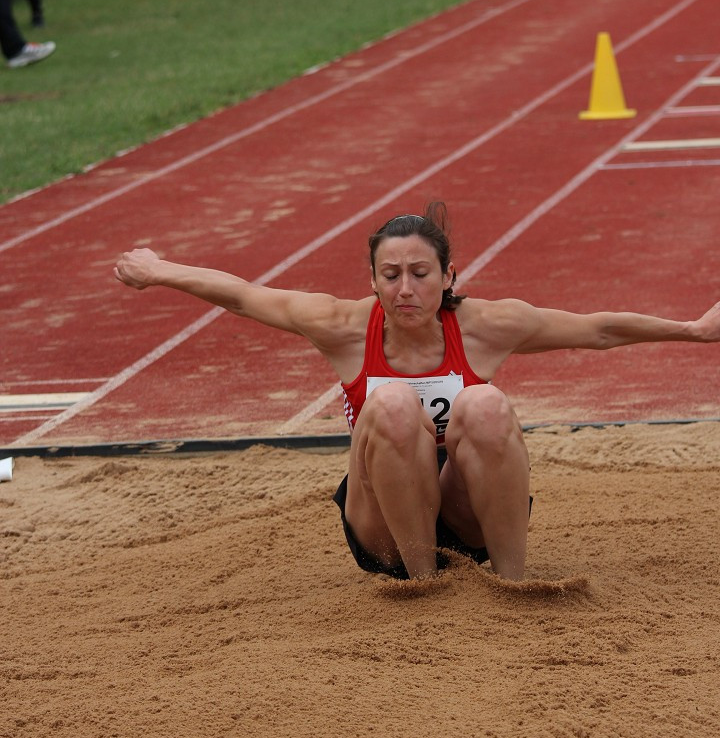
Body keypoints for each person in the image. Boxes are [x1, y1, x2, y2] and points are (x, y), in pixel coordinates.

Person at [114, 203, 720, 583]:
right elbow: (243, 295)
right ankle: (424, 583)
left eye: (421, 274)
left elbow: (596, 329)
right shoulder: (342, 326)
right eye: (391, 275)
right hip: (384, 527)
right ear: (373, 282)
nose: (406, 289)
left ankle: (513, 581)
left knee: (486, 404)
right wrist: (159, 270)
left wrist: (693, 331)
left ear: (449, 276)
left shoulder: (486, 326)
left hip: (464, 511)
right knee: (393, 407)